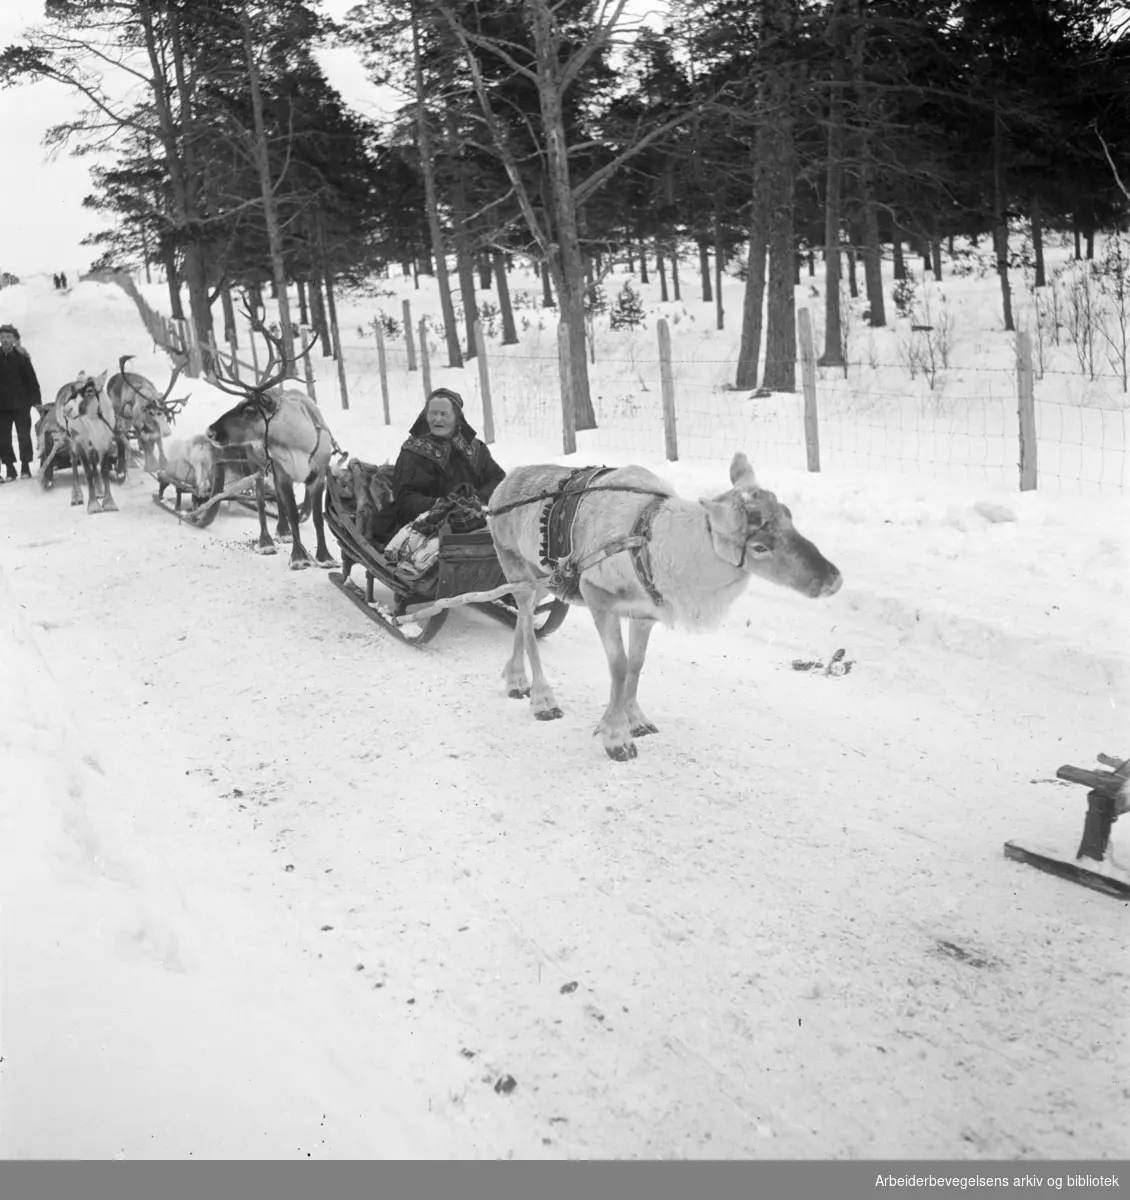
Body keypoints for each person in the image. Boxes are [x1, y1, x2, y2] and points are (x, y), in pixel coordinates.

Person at [370, 387, 505, 545]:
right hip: (425, 522)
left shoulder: (476, 448)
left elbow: (498, 480)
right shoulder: (414, 451)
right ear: (425, 415)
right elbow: (405, 497)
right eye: (433, 413)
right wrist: (440, 505)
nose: (437, 420)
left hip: (472, 518)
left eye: (444, 414)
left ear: (457, 417)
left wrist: (477, 498)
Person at [0, 323, 42, 481]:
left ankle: (25, 466)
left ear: (14, 339)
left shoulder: (22, 358)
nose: (5, 340)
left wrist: (36, 402)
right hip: (2, 406)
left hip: (21, 404)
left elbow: (32, 381)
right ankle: (10, 468)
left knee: (24, 435)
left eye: (8, 337)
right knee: (3, 438)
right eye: (2, 337)